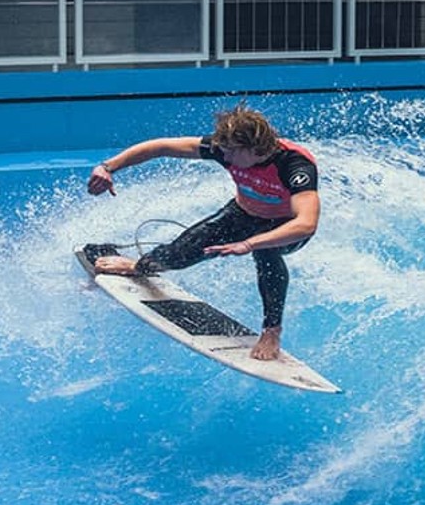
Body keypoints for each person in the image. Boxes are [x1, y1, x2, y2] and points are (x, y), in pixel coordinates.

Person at [85, 105, 320, 362]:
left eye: (231, 152)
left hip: (284, 225)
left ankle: (271, 331)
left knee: (266, 252)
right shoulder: (225, 148)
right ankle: (139, 266)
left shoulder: (294, 165)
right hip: (243, 213)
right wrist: (108, 167)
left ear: (255, 149)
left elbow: (306, 223)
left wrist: (250, 243)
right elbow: (160, 147)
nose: (224, 157)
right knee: (177, 254)